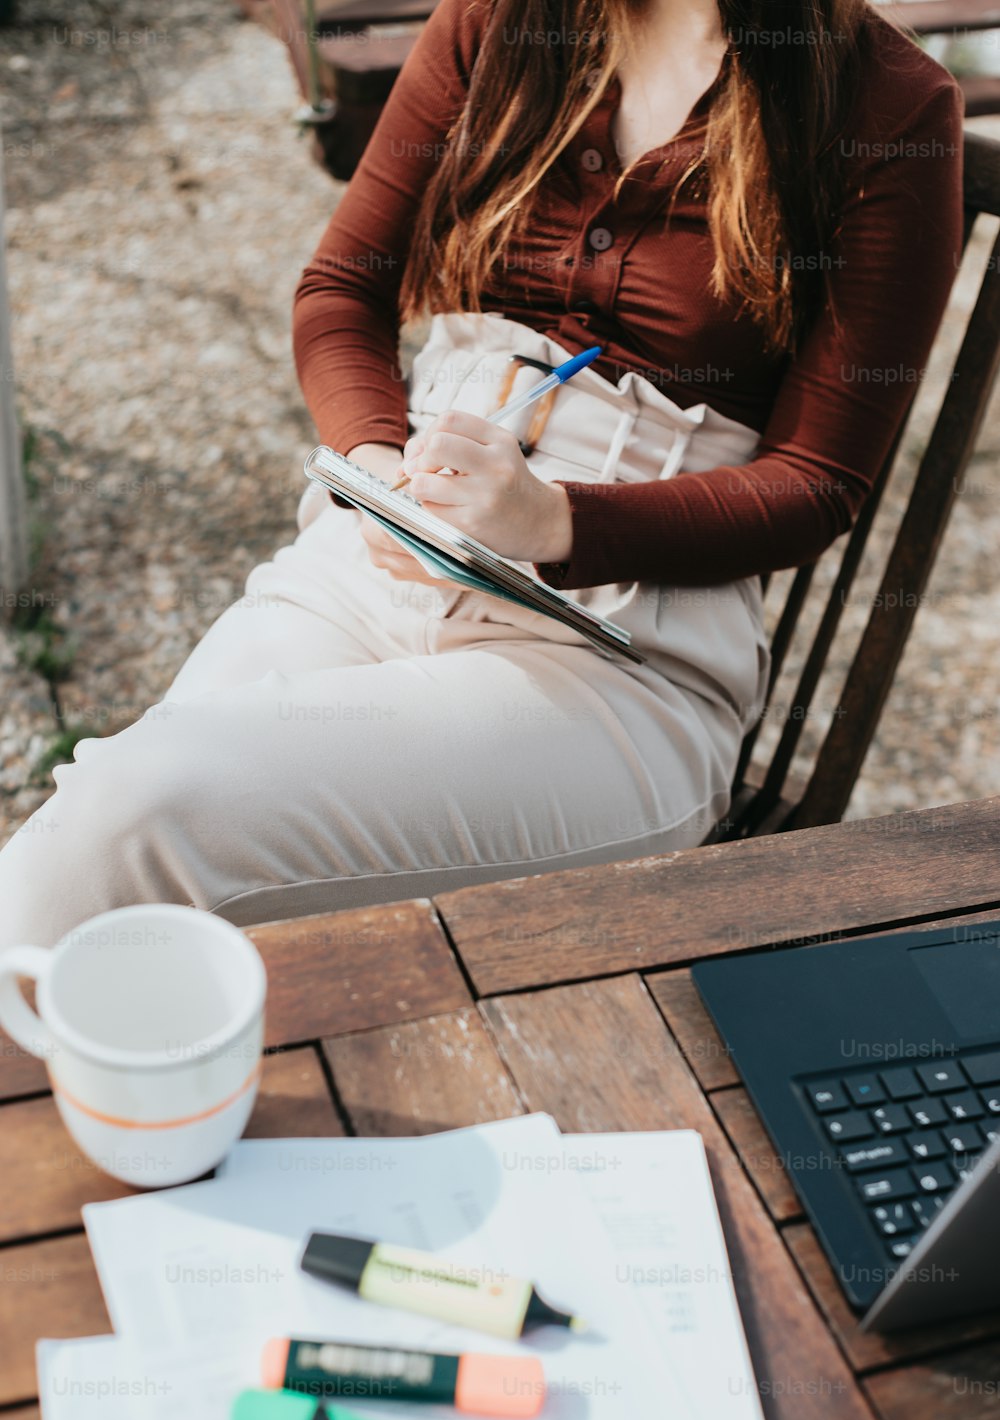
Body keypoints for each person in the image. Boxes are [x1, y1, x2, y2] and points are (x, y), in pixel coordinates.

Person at [0, 0, 963, 944]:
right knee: (92, 839)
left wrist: (553, 523)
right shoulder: (503, 21)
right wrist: (378, 479)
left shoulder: (885, 103)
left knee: (137, 818)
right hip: (383, 551)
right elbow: (343, 292)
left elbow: (815, 482)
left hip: (616, 656)